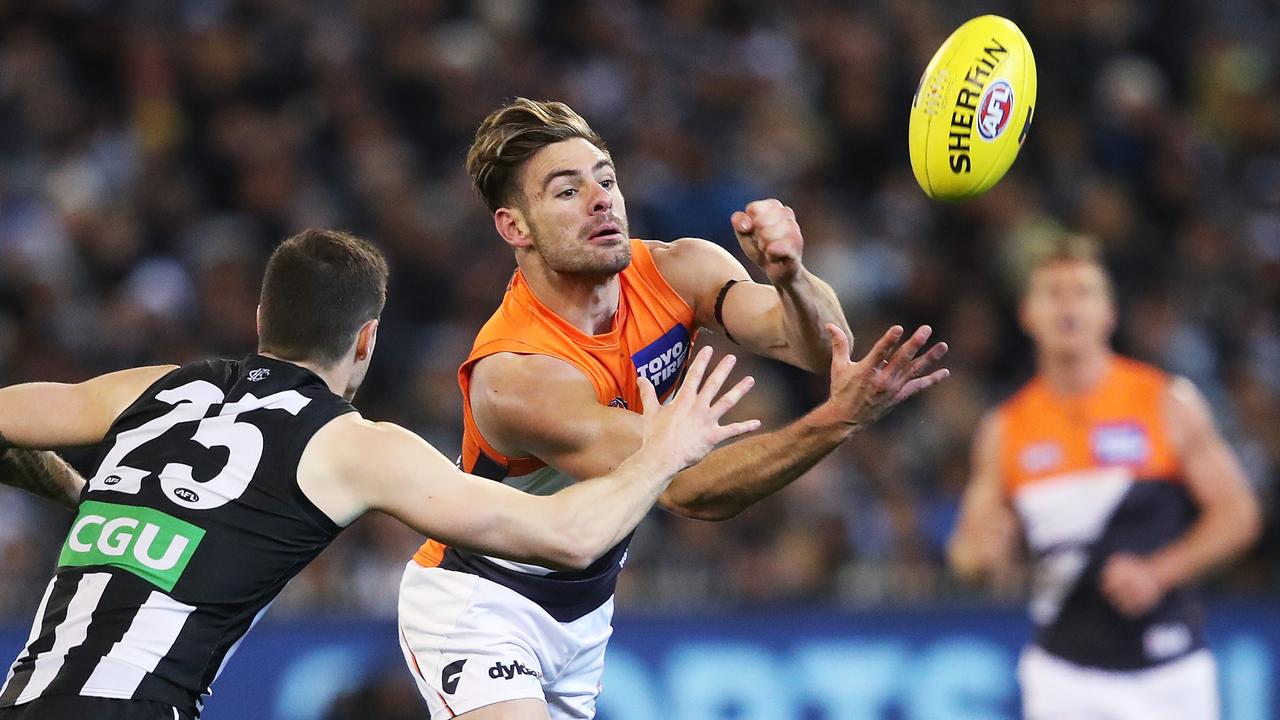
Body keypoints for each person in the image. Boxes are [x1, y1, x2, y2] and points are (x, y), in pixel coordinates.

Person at [0, 228, 761, 720]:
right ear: (366, 340)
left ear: (263, 315)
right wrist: (666, 449)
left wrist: (76, 492)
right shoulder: (347, 443)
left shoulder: (156, 387)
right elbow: (566, 537)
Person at [397, 98, 951, 720]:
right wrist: (838, 419)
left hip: (586, 603)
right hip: (483, 599)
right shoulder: (518, 374)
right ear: (515, 228)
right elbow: (686, 489)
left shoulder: (675, 268)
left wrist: (791, 275)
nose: (601, 199)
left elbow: (820, 348)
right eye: (566, 191)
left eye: (606, 179)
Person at [947, 236, 1261, 719]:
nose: (1067, 306)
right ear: (1027, 314)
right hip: (1064, 677)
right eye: (1053, 292)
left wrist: (1160, 572)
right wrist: (984, 555)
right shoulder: (1005, 429)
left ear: (1109, 313)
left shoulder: (1165, 403)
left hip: (1171, 674)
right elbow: (968, 552)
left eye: (1082, 292)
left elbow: (1238, 514)